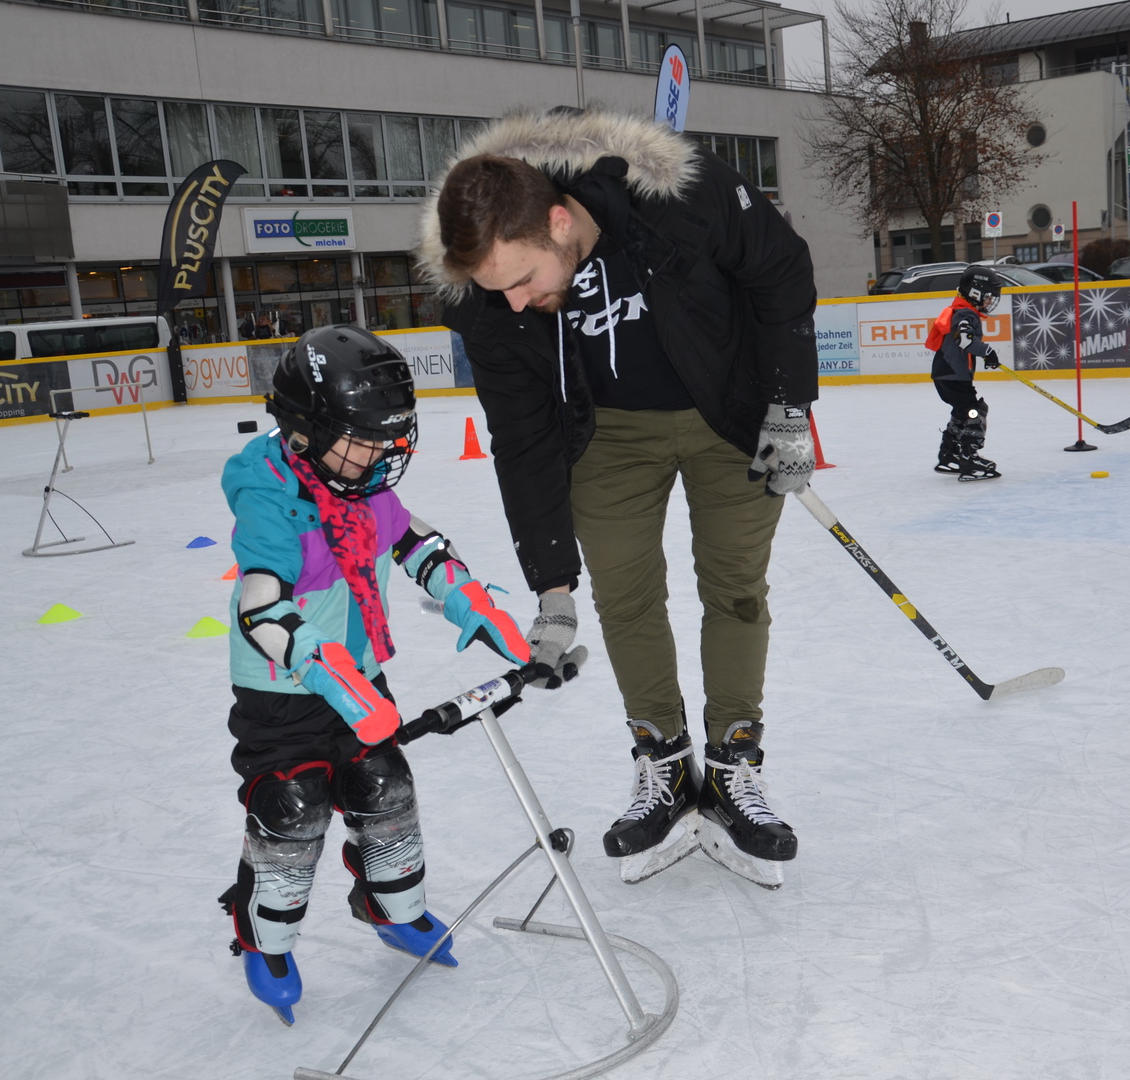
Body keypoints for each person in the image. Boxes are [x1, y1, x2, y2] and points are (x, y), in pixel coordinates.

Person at [413, 107, 818, 889]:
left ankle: (733, 762)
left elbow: (781, 272)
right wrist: (551, 587)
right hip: (604, 437)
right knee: (625, 597)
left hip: (726, 413)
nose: (515, 304)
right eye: (497, 291)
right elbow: (521, 434)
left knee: (734, 587)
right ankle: (662, 764)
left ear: (559, 221)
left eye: (525, 279)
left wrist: (788, 406)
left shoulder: (679, 200)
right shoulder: (483, 297)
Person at [217, 324, 532, 1024]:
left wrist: (467, 599)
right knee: (293, 806)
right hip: (283, 691)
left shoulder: (358, 485)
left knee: (383, 787)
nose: (380, 458)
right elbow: (259, 607)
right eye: (364, 441)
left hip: (357, 675)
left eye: (390, 440)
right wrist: (322, 666)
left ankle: (394, 907)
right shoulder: (270, 498)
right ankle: (264, 938)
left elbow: (414, 541)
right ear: (304, 431)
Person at [925, 267, 1003, 482]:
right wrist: (988, 352)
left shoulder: (960, 310)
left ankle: (949, 454)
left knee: (962, 412)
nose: (989, 302)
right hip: (953, 375)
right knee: (975, 412)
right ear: (975, 293)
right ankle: (969, 458)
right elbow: (965, 340)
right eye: (988, 297)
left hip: (946, 374)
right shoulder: (965, 313)